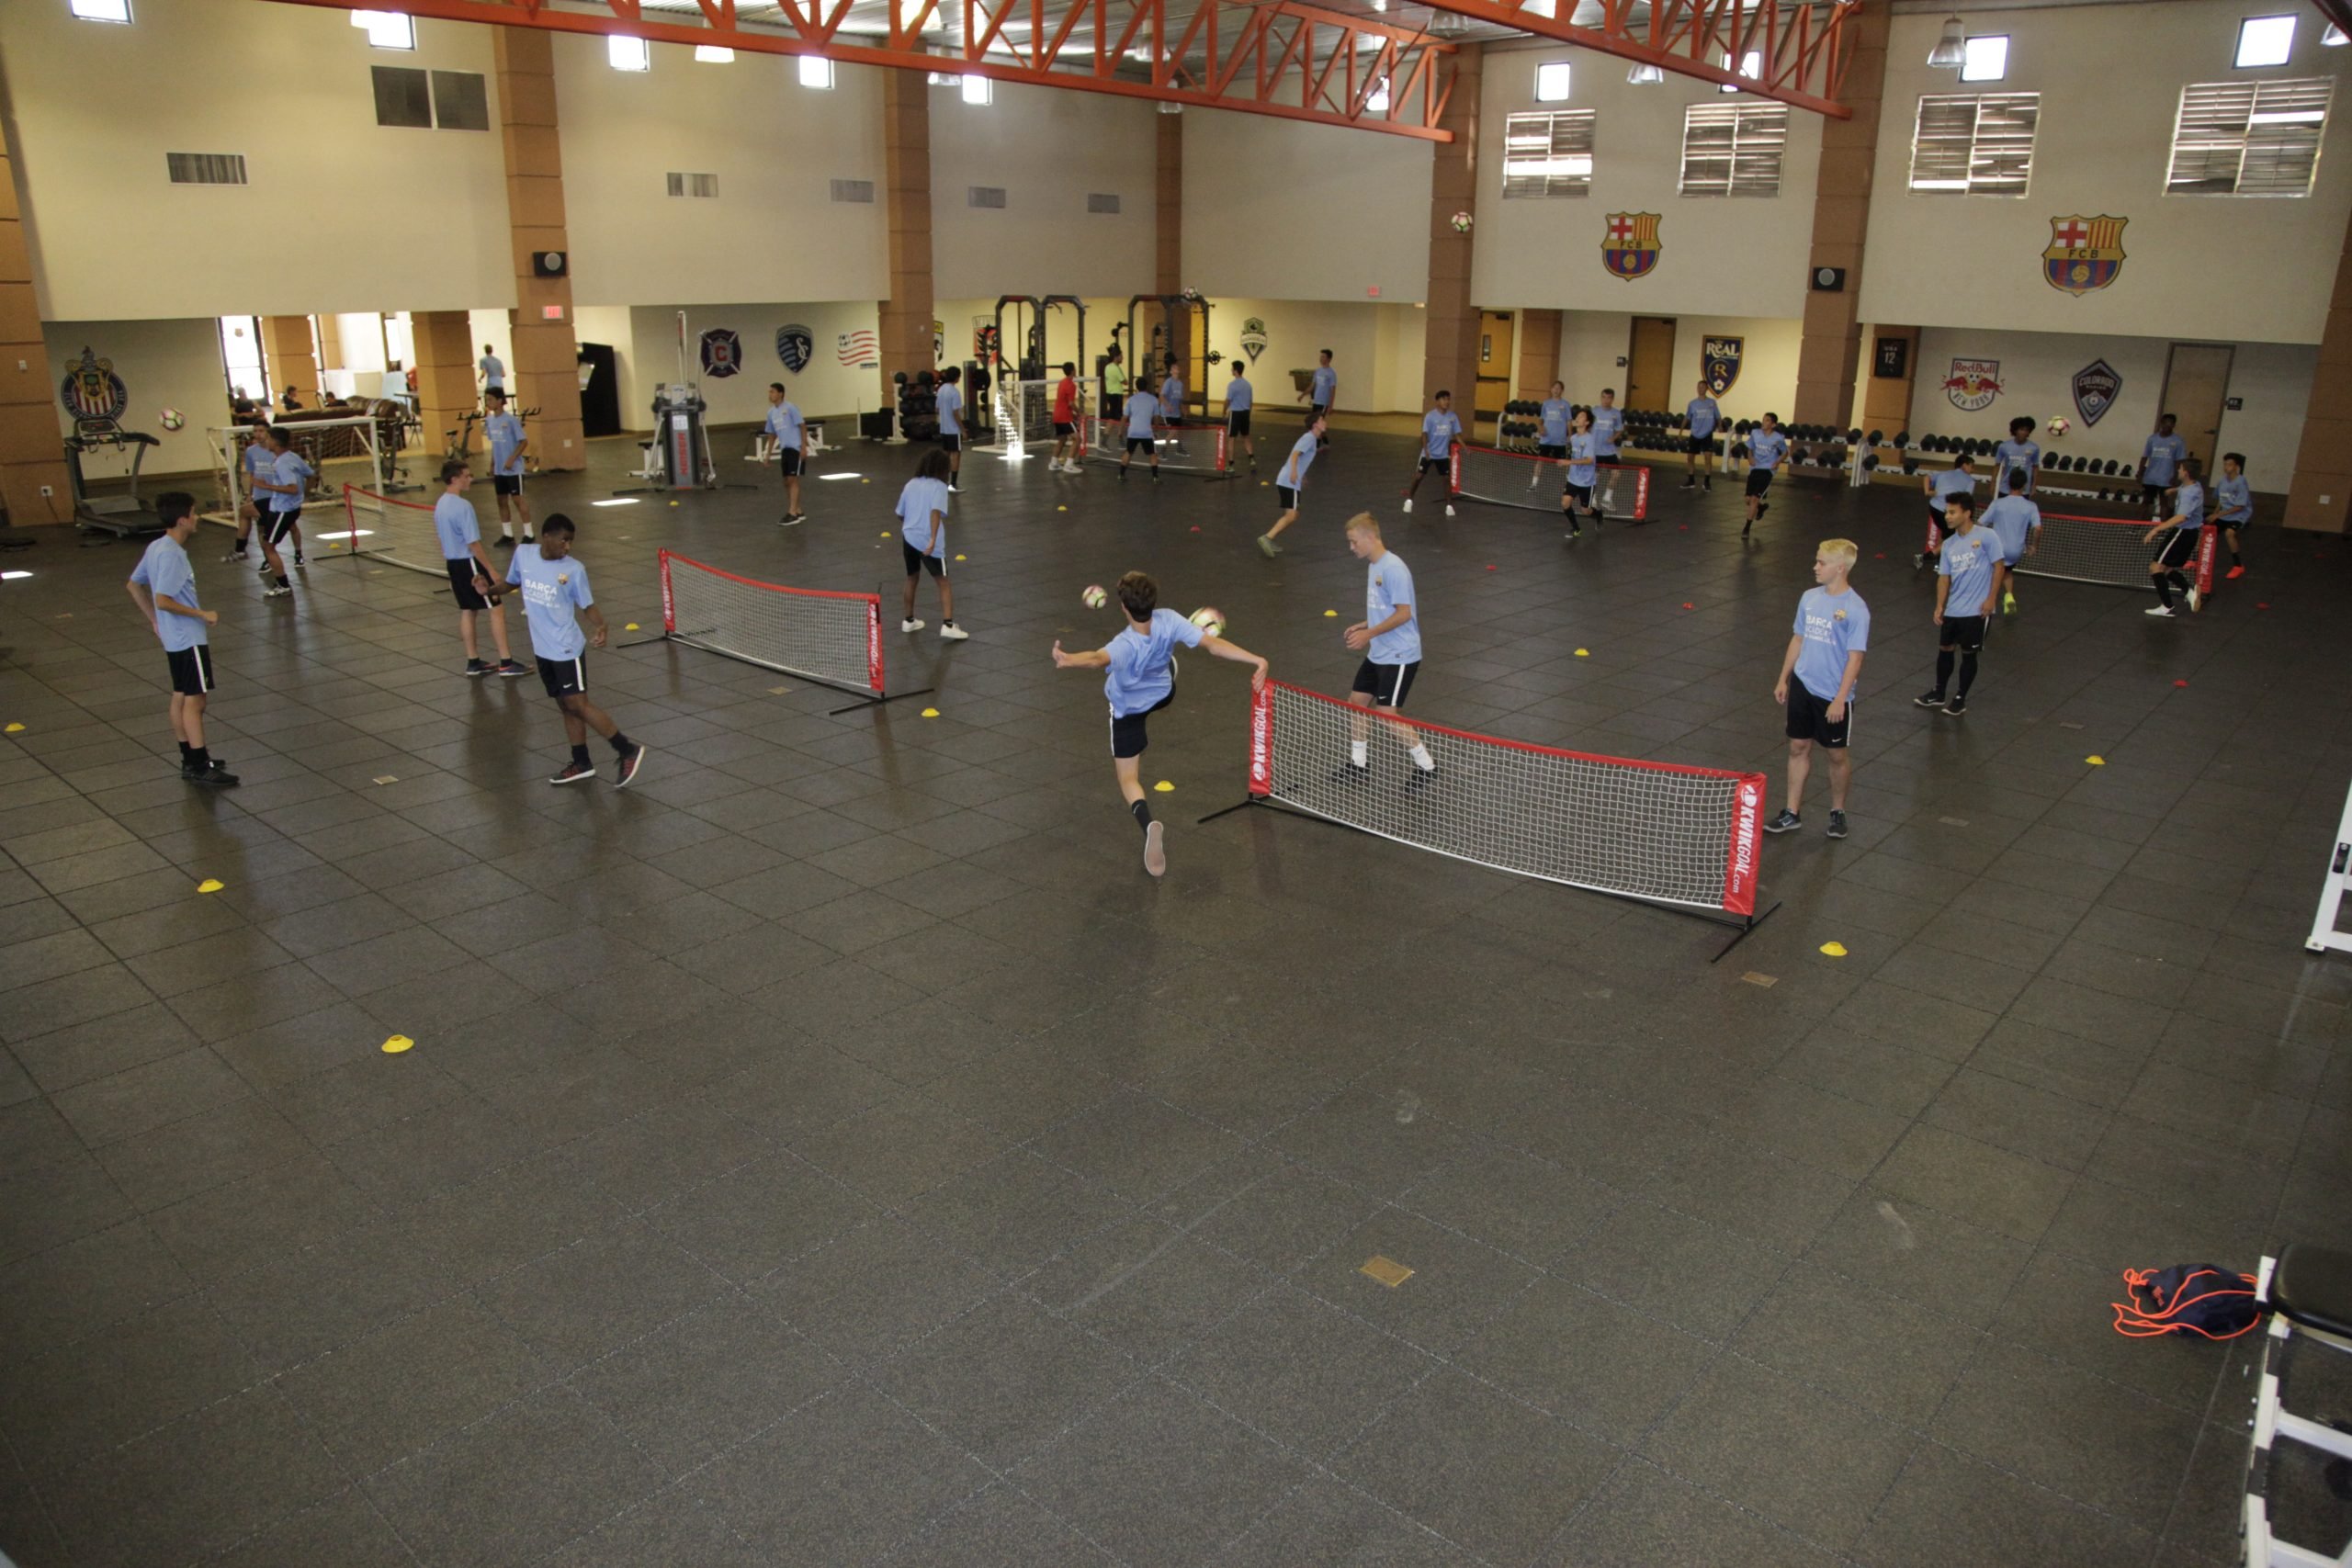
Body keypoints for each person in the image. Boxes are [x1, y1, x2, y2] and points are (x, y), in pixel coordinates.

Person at [1049, 570, 1268, 878]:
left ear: (1124, 608)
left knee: (1128, 779)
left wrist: (1068, 659)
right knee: (1164, 665)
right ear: (1153, 602)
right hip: (1162, 694)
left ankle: (1148, 822)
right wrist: (1257, 659)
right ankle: (1161, 664)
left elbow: (1097, 659)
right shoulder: (1169, 619)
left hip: (1127, 708)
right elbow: (1214, 646)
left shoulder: (1123, 644)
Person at [503, 514, 647, 787]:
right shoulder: (524, 554)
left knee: (578, 704)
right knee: (565, 705)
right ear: (547, 537)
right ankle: (581, 762)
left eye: (570, 542)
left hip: (566, 648)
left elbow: (587, 605)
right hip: (543, 648)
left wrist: (601, 625)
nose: (567, 546)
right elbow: (510, 583)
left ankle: (626, 749)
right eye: (563, 540)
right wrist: (490, 589)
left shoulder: (574, 569)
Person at [126, 493, 236, 788]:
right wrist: (202, 613)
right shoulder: (173, 553)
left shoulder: (156, 547)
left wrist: (153, 622)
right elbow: (163, 600)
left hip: (175, 639)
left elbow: (133, 585)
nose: (197, 517)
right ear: (182, 520)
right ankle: (200, 765)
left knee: (180, 695)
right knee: (195, 700)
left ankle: (190, 758)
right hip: (188, 638)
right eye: (194, 513)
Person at [1764, 538, 1868, 840]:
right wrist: (1784, 678)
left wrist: (1839, 699)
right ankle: (1791, 812)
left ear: (1840, 568)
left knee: (1836, 755)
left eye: (1821, 562)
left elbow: (1855, 658)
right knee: (1798, 747)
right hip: (1803, 686)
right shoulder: (1809, 597)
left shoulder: (1856, 609)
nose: (1815, 566)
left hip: (1832, 696)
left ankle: (1837, 812)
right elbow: (1798, 638)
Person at [1341, 514, 1437, 787]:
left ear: (1370, 537)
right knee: (1357, 702)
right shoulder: (1374, 565)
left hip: (1401, 656)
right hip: (1379, 651)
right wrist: (1363, 625)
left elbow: (1405, 614)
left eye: (1354, 541)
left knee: (1386, 713)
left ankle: (1427, 766)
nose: (1352, 547)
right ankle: (1358, 765)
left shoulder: (1394, 569)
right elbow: (1385, 609)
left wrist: (1368, 634)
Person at [434, 459, 527, 679]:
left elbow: (441, 538)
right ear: (455, 479)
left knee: (468, 609)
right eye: (467, 476)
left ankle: (473, 661)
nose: (471, 479)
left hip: (453, 563)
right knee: (497, 608)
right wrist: (491, 571)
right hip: (469, 563)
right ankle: (506, 662)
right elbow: (473, 543)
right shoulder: (463, 507)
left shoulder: (441, 503)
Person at [1916, 492, 1997, 716]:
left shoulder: (1987, 536)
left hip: (1977, 610)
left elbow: (1999, 567)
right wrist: (1940, 605)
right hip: (1954, 609)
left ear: (1967, 513)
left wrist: (1991, 599)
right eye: (1947, 512)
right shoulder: (1949, 544)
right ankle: (1939, 692)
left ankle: (1960, 698)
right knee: (1945, 649)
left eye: (1952, 512)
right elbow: (1944, 577)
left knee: (1969, 654)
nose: (1947, 517)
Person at [897, 447, 967, 640]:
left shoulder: (911, 484)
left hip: (908, 537)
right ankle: (948, 625)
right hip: (928, 542)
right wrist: (932, 539)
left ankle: (908, 621)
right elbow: (935, 512)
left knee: (912, 578)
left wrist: (910, 528)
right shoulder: (939, 486)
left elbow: (900, 513)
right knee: (942, 581)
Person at [2143, 455, 2206, 617]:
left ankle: (2167, 606)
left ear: (2185, 473)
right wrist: (2174, 490)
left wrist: (2156, 530)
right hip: (2191, 534)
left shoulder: (2188, 494)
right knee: (2168, 569)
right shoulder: (2195, 486)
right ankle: (2190, 593)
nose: (2178, 469)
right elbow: (2187, 489)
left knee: (2156, 568)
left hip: (2181, 532)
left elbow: (2181, 517)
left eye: (2180, 468)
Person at [253, 425, 311, 597]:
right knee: (268, 543)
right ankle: (282, 582)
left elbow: (292, 488)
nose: (266, 441)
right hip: (288, 508)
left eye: (268, 438)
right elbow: (311, 474)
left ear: (275, 442)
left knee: (269, 547)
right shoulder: (293, 457)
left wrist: (267, 486)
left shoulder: (282, 463)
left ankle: (283, 585)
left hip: (283, 510)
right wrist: (305, 494)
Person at [1258, 414, 1322, 556]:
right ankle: (1267, 537)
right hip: (1289, 481)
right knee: (1291, 515)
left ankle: (1270, 538)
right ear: (1315, 424)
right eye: (1322, 420)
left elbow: (1299, 459)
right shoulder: (1309, 438)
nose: (1325, 423)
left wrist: (1301, 474)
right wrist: (1293, 473)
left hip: (1289, 480)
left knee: (1293, 514)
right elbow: (1294, 455)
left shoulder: (1311, 439)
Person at [1983, 468, 2042, 615]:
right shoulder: (2030, 506)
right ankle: (2009, 598)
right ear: (2024, 486)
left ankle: (1989, 600)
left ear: (2008, 484)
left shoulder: (1998, 503)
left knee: (1993, 574)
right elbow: (2038, 528)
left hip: (1996, 549)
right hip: (2016, 550)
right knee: (2007, 572)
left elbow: (1981, 523)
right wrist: (2033, 546)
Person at [483, 389, 534, 545]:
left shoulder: (511, 420)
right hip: (500, 470)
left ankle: (529, 534)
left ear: (500, 401)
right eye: (486, 399)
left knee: (518, 500)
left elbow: (524, 442)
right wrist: (492, 464)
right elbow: (494, 444)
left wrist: (512, 458)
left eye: (491, 399)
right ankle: (508, 535)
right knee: (501, 501)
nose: (488, 402)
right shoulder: (490, 421)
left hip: (513, 470)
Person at [1402, 389, 1460, 516]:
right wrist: (1426, 449)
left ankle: (1449, 506)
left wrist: (1465, 447)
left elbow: (1457, 434)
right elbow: (1424, 434)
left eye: (1448, 399)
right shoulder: (1430, 416)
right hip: (1429, 453)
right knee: (1419, 477)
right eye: (1444, 399)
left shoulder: (1452, 417)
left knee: (1446, 479)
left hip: (1443, 454)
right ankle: (1409, 500)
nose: (1447, 402)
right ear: (1437, 401)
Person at [224, 428, 276, 569]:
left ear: (268, 433)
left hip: (275, 498)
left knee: (259, 524)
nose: (258, 434)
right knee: (257, 525)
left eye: (261, 431)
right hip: (261, 497)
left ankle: (295, 555)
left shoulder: (277, 452)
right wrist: (250, 494)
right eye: (256, 431)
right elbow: (253, 475)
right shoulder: (251, 451)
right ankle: (265, 559)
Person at [1916, 452, 1975, 569]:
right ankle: (1925, 557)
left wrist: (1927, 491)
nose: (1972, 470)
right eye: (1971, 466)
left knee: (1946, 533)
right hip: (1949, 512)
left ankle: (1939, 561)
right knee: (1954, 537)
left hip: (1934, 509)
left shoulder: (1943, 473)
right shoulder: (1970, 481)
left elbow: (1926, 477)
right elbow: (1966, 499)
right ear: (1964, 465)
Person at [764, 382, 806, 525]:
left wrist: (804, 447)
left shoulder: (790, 408)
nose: (770, 395)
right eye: (769, 392)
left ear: (780, 393)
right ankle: (798, 510)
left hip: (795, 447)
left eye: (773, 392)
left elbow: (802, 426)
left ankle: (792, 513)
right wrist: (767, 454)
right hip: (785, 450)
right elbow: (771, 434)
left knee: (793, 479)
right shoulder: (771, 413)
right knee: (787, 482)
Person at [1742, 412, 1788, 537]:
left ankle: (1746, 528)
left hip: (1767, 470)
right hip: (1755, 468)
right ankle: (1761, 507)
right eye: (1763, 420)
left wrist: (1777, 462)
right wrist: (1750, 457)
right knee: (1748, 500)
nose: (1763, 422)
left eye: (1767, 421)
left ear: (1773, 424)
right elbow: (1750, 448)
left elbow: (1785, 452)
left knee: (1754, 499)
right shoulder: (1755, 433)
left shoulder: (1778, 438)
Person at [1560, 405, 1601, 538]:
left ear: (1587, 422)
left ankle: (1598, 515)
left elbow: (1589, 460)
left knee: (1586, 511)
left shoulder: (1589, 439)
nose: (1578, 418)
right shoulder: (1573, 438)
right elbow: (1574, 456)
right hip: (1573, 479)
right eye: (1577, 416)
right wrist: (1569, 467)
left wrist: (1569, 462)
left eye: (1582, 416)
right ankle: (1576, 529)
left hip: (1587, 482)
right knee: (1565, 503)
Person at [2140, 412, 2187, 518]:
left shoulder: (2178, 441)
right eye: (2165, 423)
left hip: (2166, 478)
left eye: (2170, 423)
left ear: (2174, 425)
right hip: (2150, 477)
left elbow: (2179, 461)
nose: (2167, 426)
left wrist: (2175, 476)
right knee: (2146, 501)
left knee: (2164, 503)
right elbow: (2144, 456)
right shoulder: (2152, 439)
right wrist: (2140, 472)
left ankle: (2161, 529)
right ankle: (2137, 526)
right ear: (2161, 423)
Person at [2215, 451, 2252, 579]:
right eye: (2225, 464)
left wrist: (2219, 515)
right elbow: (2221, 499)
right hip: (2224, 513)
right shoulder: (2222, 481)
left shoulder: (2241, 482)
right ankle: (2195, 559)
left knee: (2229, 533)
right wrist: (2216, 514)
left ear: (2236, 467)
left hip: (2239, 514)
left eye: (2230, 465)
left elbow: (2239, 506)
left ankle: (2238, 566)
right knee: (2204, 530)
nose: (2226, 467)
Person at [1531, 381, 1571, 491]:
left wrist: (1570, 436)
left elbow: (1568, 422)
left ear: (1562, 391)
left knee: (1564, 464)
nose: (1556, 390)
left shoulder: (1566, 404)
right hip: (1546, 439)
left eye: (1558, 388)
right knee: (1540, 461)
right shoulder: (1546, 403)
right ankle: (1534, 484)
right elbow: (1540, 421)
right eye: (1554, 388)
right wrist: (1541, 429)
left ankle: (1569, 485)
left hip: (1560, 440)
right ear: (1551, 389)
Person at [1119, 376, 1160, 480]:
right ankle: (1155, 477)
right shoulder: (1153, 400)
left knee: (1128, 452)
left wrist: (1120, 431)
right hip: (1146, 432)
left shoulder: (1131, 400)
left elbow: (1124, 417)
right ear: (1147, 386)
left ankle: (1121, 475)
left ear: (1136, 387)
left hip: (1133, 432)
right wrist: (1155, 430)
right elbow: (1156, 418)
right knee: (1152, 454)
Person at [1590, 388, 1625, 509]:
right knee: (1595, 476)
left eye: (1609, 398)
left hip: (1609, 450)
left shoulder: (1616, 413)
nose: (1606, 400)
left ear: (1612, 399)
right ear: (1601, 398)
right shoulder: (1594, 411)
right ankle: (1592, 499)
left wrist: (1614, 437)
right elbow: (1586, 426)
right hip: (1595, 450)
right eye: (1604, 397)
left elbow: (1620, 429)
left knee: (1616, 474)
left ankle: (1607, 498)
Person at [1992, 415, 2041, 497]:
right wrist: (1992, 483)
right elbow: (1997, 465)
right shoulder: (2004, 446)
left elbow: (2035, 467)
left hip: (2024, 489)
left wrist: (2034, 485)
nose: (2024, 432)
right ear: (2015, 430)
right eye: (2021, 429)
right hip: (2006, 488)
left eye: (2026, 430)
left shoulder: (2034, 448)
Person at [935, 366, 966, 491]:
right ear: (957, 377)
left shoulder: (941, 389)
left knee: (946, 455)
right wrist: (963, 429)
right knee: (956, 455)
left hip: (944, 428)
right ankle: (953, 484)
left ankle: (943, 482)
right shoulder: (954, 392)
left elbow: (937, 409)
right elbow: (955, 413)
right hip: (953, 429)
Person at [1051, 362, 1083, 474]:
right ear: (1073, 371)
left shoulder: (1062, 382)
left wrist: (1073, 414)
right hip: (1064, 417)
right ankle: (1069, 465)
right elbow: (1070, 403)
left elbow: (1063, 402)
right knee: (1078, 439)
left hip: (1056, 415)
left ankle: (1054, 463)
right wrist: (1080, 413)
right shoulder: (1071, 385)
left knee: (1062, 439)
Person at [1225, 361, 1256, 472]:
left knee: (1231, 439)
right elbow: (1251, 402)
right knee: (1246, 436)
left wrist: (1224, 411)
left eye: (1232, 369)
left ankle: (1231, 465)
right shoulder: (1248, 385)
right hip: (1245, 413)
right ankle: (1252, 459)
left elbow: (1228, 400)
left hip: (1235, 413)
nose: (1231, 370)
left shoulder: (1232, 385)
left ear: (1235, 371)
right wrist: (1248, 413)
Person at [1303, 349, 1336, 447]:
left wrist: (1330, 405)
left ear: (1329, 359)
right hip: (1316, 401)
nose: (1321, 359)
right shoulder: (1318, 371)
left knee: (1317, 423)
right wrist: (1303, 394)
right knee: (1315, 423)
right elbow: (1312, 386)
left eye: (1323, 357)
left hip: (1324, 403)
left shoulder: (1331, 373)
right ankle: (1325, 442)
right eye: (1321, 356)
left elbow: (1333, 390)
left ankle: (1317, 445)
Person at [1102, 345, 1127, 422]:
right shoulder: (1116, 368)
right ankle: (1111, 432)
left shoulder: (1107, 367)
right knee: (1115, 417)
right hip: (1116, 395)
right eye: (1121, 356)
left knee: (1113, 416)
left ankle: (1112, 432)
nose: (1123, 358)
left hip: (1110, 394)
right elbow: (1125, 382)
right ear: (1116, 357)